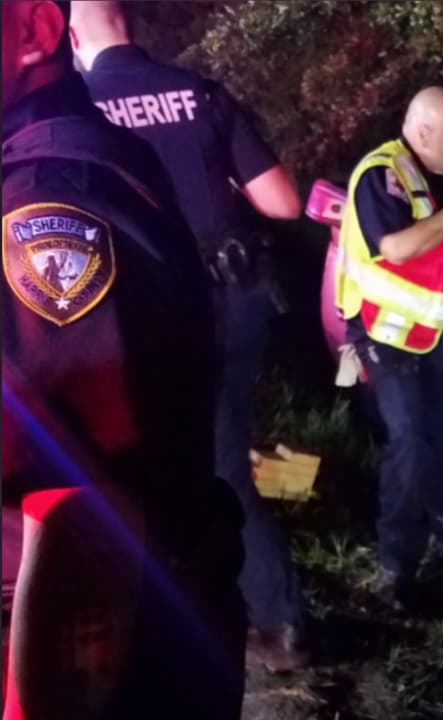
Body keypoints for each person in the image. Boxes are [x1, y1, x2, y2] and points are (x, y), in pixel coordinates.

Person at [2, 1, 244, 717]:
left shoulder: (49, 205)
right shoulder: (46, 168)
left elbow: (80, 527)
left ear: (34, 32)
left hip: (73, 673)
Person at [69, 0, 310, 671]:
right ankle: (273, 618)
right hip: (236, 301)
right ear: (131, 27)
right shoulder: (202, 93)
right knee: (223, 455)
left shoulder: (79, 111)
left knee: (143, 462)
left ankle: (206, 618)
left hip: (148, 307)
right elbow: (283, 203)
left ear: (71, 37)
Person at [336, 86, 443, 608]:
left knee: (441, 441)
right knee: (406, 446)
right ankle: (394, 568)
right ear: (422, 132)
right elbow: (398, 248)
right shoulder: (380, 175)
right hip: (388, 337)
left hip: (440, 338)